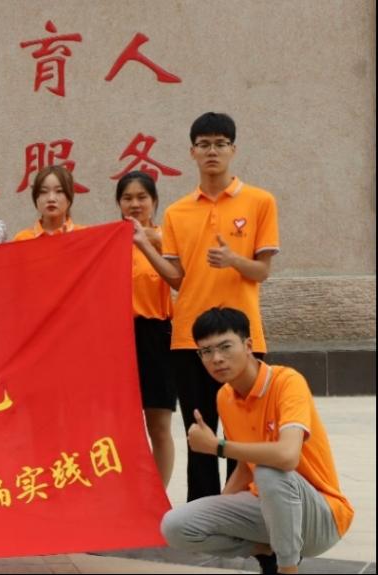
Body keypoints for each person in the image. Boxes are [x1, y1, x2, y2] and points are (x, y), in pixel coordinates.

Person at [132, 112, 280, 502]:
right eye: (204, 144)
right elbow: (178, 279)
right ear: (192, 152)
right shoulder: (177, 212)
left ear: (233, 149)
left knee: (242, 433)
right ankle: (201, 512)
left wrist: (233, 260)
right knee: (198, 431)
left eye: (220, 143)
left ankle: (240, 508)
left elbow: (262, 271)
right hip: (189, 338)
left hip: (242, 338)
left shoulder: (260, 202)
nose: (212, 151)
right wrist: (145, 246)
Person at [161, 308, 353, 574]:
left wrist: (217, 447)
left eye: (225, 347)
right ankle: (265, 549)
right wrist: (219, 511)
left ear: (248, 345)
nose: (216, 359)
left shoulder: (287, 382)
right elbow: (244, 467)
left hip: (321, 516)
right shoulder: (225, 397)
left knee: (269, 471)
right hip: (267, 507)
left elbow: (287, 457)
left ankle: (287, 568)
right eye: (206, 351)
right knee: (175, 525)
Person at [117, 171, 176, 488]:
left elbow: (179, 277)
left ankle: (158, 496)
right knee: (121, 427)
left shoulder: (167, 239)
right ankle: (128, 495)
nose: (135, 204)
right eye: (127, 198)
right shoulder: (109, 241)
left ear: (154, 201)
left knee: (159, 425)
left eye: (142, 197)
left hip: (155, 336)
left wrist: (148, 241)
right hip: (117, 339)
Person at [14, 165, 84, 241]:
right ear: (36, 198)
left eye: (59, 191)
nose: (51, 198)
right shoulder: (22, 239)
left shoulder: (84, 236)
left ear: (69, 197)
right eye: (44, 191)